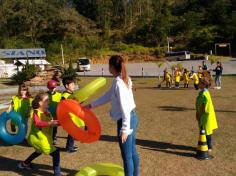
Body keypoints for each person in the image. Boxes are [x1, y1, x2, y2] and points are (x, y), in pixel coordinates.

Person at [86, 55, 139, 176]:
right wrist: (90, 106)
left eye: (108, 66)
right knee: (132, 152)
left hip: (127, 120)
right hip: (132, 118)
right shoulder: (120, 79)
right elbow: (107, 96)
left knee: (127, 155)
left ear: (111, 67)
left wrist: (125, 129)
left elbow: (125, 107)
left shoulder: (120, 83)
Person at [18, 93, 62, 176]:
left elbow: (53, 123)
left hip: (41, 138)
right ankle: (57, 174)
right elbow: (38, 123)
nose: (49, 102)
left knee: (38, 152)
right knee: (56, 153)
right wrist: (50, 123)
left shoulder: (48, 113)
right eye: (46, 100)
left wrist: (62, 123)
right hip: (39, 139)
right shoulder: (36, 112)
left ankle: (24, 164)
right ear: (40, 103)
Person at [196, 77, 218, 153]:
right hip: (203, 115)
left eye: (199, 83)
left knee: (207, 131)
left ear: (203, 84)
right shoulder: (202, 92)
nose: (198, 84)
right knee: (203, 130)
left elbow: (203, 106)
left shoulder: (205, 94)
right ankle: (203, 144)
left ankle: (209, 146)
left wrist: (199, 114)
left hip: (205, 115)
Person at [61, 77, 78, 153]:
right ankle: (69, 147)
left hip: (73, 116)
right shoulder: (65, 95)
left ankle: (71, 145)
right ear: (67, 86)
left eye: (74, 84)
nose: (74, 86)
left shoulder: (72, 94)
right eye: (72, 84)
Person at [47, 80, 62, 145]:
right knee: (48, 127)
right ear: (48, 87)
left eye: (54, 87)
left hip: (56, 114)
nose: (52, 89)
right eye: (51, 88)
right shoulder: (45, 95)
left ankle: (54, 139)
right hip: (47, 115)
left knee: (55, 128)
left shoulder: (59, 95)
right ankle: (48, 139)